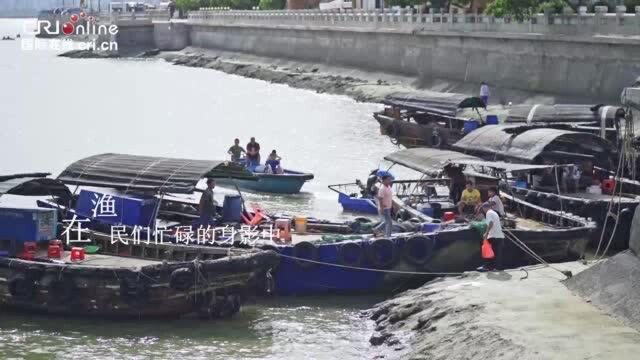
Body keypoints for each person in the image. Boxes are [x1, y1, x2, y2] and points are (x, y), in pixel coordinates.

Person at [479, 202, 505, 272]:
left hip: (494, 236)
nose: (483, 211)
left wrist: (486, 233)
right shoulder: (494, 213)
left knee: (490, 252)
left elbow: (490, 223)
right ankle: (497, 268)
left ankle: (488, 267)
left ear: (485, 208)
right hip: (499, 236)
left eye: (483, 209)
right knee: (497, 254)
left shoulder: (489, 213)